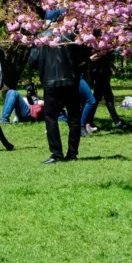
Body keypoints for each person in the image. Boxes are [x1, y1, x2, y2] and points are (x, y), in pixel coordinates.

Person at [28, 10, 85, 164]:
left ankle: (56, 153)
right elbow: (81, 58)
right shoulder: (71, 36)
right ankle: (72, 153)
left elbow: (32, 62)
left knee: (51, 117)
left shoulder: (40, 37)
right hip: (71, 81)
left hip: (50, 83)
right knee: (73, 117)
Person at [84, 46, 127, 132]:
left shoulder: (104, 45)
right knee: (108, 98)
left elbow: (111, 57)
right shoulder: (94, 45)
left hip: (102, 72)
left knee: (97, 98)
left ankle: (88, 121)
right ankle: (116, 121)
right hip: (100, 73)